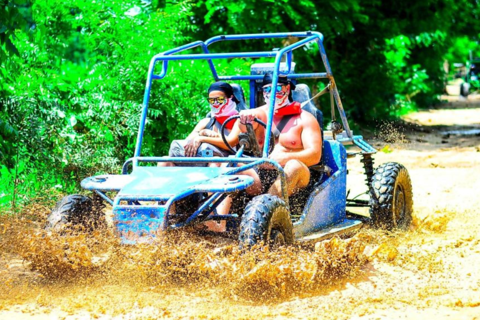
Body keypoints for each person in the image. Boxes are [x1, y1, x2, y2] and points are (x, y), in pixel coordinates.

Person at [237, 73, 322, 197]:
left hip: (294, 176)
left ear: (287, 89)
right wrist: (243, 119)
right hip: (259, 175)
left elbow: (315, 155)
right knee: (228, 164)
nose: (272, 93)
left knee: (293, 165)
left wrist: (284, 158)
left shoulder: (305, 119)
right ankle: (214, 215)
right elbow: (243, 128)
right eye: (267, 89)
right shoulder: (258, 115)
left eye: (277, 88)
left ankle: (265, 209)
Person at [161, 81, 242, 166]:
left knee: (215, 161)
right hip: (201, 164)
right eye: (212, 100)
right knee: (164, 161)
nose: (216, 104)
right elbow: (188, 142)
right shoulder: (206, 122)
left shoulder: (240, 121)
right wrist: (202, 133)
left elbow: (230, 143)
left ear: (230, 98)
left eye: (220, 100)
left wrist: (202, 138)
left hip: (229, 163)